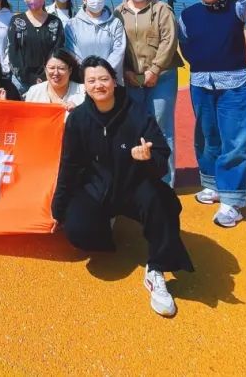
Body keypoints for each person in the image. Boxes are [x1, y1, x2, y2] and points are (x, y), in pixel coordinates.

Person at [51, 56, 194, 317]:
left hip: (133, 187)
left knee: (162, 200)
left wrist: (149, 158)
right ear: (84, 86)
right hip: (96, 189)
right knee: (77, 229)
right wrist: (58, 210)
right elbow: (68, 166)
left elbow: (162, 155)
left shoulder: (136, 113)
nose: (98, 85)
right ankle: (106, 228)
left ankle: (156, 269)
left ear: (114, 81)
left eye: (103, 79)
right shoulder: (78, 119)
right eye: (91, 81)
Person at [177, 0, 246, 228]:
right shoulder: (188, 14)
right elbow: (185, 44)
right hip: (201, 82)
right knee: (206, 136)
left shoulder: (237, 9)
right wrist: (201, 63)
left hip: (234, 83)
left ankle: (232, 201)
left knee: (235, 139)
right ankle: (213, 185)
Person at [116, 0, 182, 187]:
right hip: (131, 78)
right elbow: (116, 43)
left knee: (162, 128)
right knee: (134, 128)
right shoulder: (118, 12)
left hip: (162, 77)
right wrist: (125, 71)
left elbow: (169, 40)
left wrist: (155, 69)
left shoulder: (162, 9)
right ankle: (139, 180)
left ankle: (165, 183)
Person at [8, 0, 65, 96]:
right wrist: (29, 77)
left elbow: (58, 51)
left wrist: (44, 76)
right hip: (21, 82)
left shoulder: (55, 22)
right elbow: (13, 52)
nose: (33, 0)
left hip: (49, 79)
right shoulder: (16, 21)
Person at [64, 0, 125, 82]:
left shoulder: (115, 23)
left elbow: (118, 51)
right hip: (82, 79)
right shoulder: (72, 24)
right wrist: (88, 72)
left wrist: (104, 72)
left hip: (110, 79)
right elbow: (72, 51)